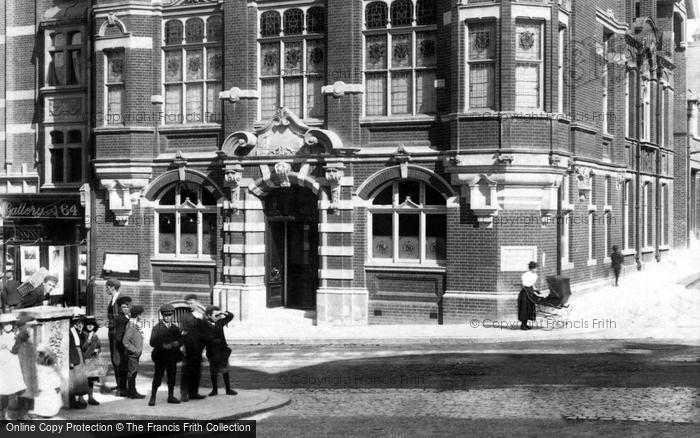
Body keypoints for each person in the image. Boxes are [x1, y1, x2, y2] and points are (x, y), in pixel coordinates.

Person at [149, 304, 183, 406]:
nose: (168, 317)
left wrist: (178, 343)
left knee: (172, 376)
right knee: (158, 376)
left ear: (172, 315)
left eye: (170, 315)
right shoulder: (157, 327)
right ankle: (153, 396)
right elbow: (152, 342)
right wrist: (163, 345)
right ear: (162, 315)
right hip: (160, 356)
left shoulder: (175, 328)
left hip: (172, 356)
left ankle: (171, 396)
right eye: (165, 315)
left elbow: (181, 339)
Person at [180, 294, 208, 401]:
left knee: (196, 371)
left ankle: (194, 393)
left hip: (198, 348)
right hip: (188, 348)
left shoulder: (202, 315)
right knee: (186, 371)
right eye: (188, 304)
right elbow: (182, 332)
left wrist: (204, 345)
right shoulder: (185, 317)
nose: (189, 305)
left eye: (191, 303)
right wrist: (182, 346)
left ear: (196, 302)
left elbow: (205, 331)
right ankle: (184, 394)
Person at [205, 306, 237, 396]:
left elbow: (231, 316)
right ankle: (214, 390)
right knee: (213, 370)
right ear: (208, 315)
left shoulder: (220, 323)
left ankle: (228, 389)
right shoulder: (205, 325)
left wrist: (224, 313)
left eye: (219, 315)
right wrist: (214, 341)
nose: (218, 317)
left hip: (222, 351)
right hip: (212, 351)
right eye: (215, 315)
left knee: (225, 369)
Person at [0, 313, 27, 420]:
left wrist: (6, 346)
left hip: (13, 365)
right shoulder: (0, 337)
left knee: (17, 388)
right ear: (2, 325)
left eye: (10, 324)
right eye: (5, 324)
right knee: (3, 390)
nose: (8, 326)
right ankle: (4, 413)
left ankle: (20, 413)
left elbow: (16, 349)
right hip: (2, 365)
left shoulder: (16, 336)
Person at [13, 314, 38, 417]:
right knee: (25, 388)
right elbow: (15, 350)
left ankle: (27, 410)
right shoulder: (23, 335)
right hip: (24, 365)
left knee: (27, 388)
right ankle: (25, 411)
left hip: (28, 365)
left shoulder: (25, 335)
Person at [30, 346, 62, 418]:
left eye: (40, 355)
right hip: (41, 389)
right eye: (37, 355)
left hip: (48, 390)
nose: (38, 357)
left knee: (49, 398)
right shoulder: (37, 367)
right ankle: (39, 412)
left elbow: (56, 378)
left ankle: (46, 412)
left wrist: (57, 387)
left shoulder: (52, 368)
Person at [82, 317, 108, 406]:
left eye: (92, 324)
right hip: (84, 360)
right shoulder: (83, 334)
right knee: (83, 379)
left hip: (92, 360)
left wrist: (97, 350)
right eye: (88, 324)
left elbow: (99, 346)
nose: (90, 326)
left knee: (91, 379)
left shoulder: (95, 335)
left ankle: (90, 397)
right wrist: (88, 340)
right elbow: (83, 347)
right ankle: (81, 398)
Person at [122, 304, 145, 399]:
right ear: (138, 315)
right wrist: (135, 351)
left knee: (133, 372)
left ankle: (132, 390)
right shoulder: (131, 325)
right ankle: (132, 392)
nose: (142, 316)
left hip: (135, 354)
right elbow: (125, 341)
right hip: (133, 354)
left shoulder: (135, 324)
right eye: (141, 314)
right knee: (132, 373)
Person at [518, 261, 548, 331]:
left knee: (530, 308)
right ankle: (523, 325)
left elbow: (532, 285)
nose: (536, 270)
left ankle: (526, 324)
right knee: (524, 308)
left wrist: (536, 290)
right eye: (535, 268)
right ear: (531, 268)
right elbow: (525, 285)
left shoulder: (535, 275)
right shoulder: (525, 275)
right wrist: (532, 291)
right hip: (525, 293)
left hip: (530, 292)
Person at [68, 315, 89, 409]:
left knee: (81, 378)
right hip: (73, 355)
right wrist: (70, 360)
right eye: (76, 322)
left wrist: (81, 332)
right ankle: (72, 400)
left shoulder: (76, 331)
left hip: (79, 354)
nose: (78, 324)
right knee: (73, 379)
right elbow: (67, 346)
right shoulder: (68, 330)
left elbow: (82, 345)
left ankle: (81, 398)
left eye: (80, 322)